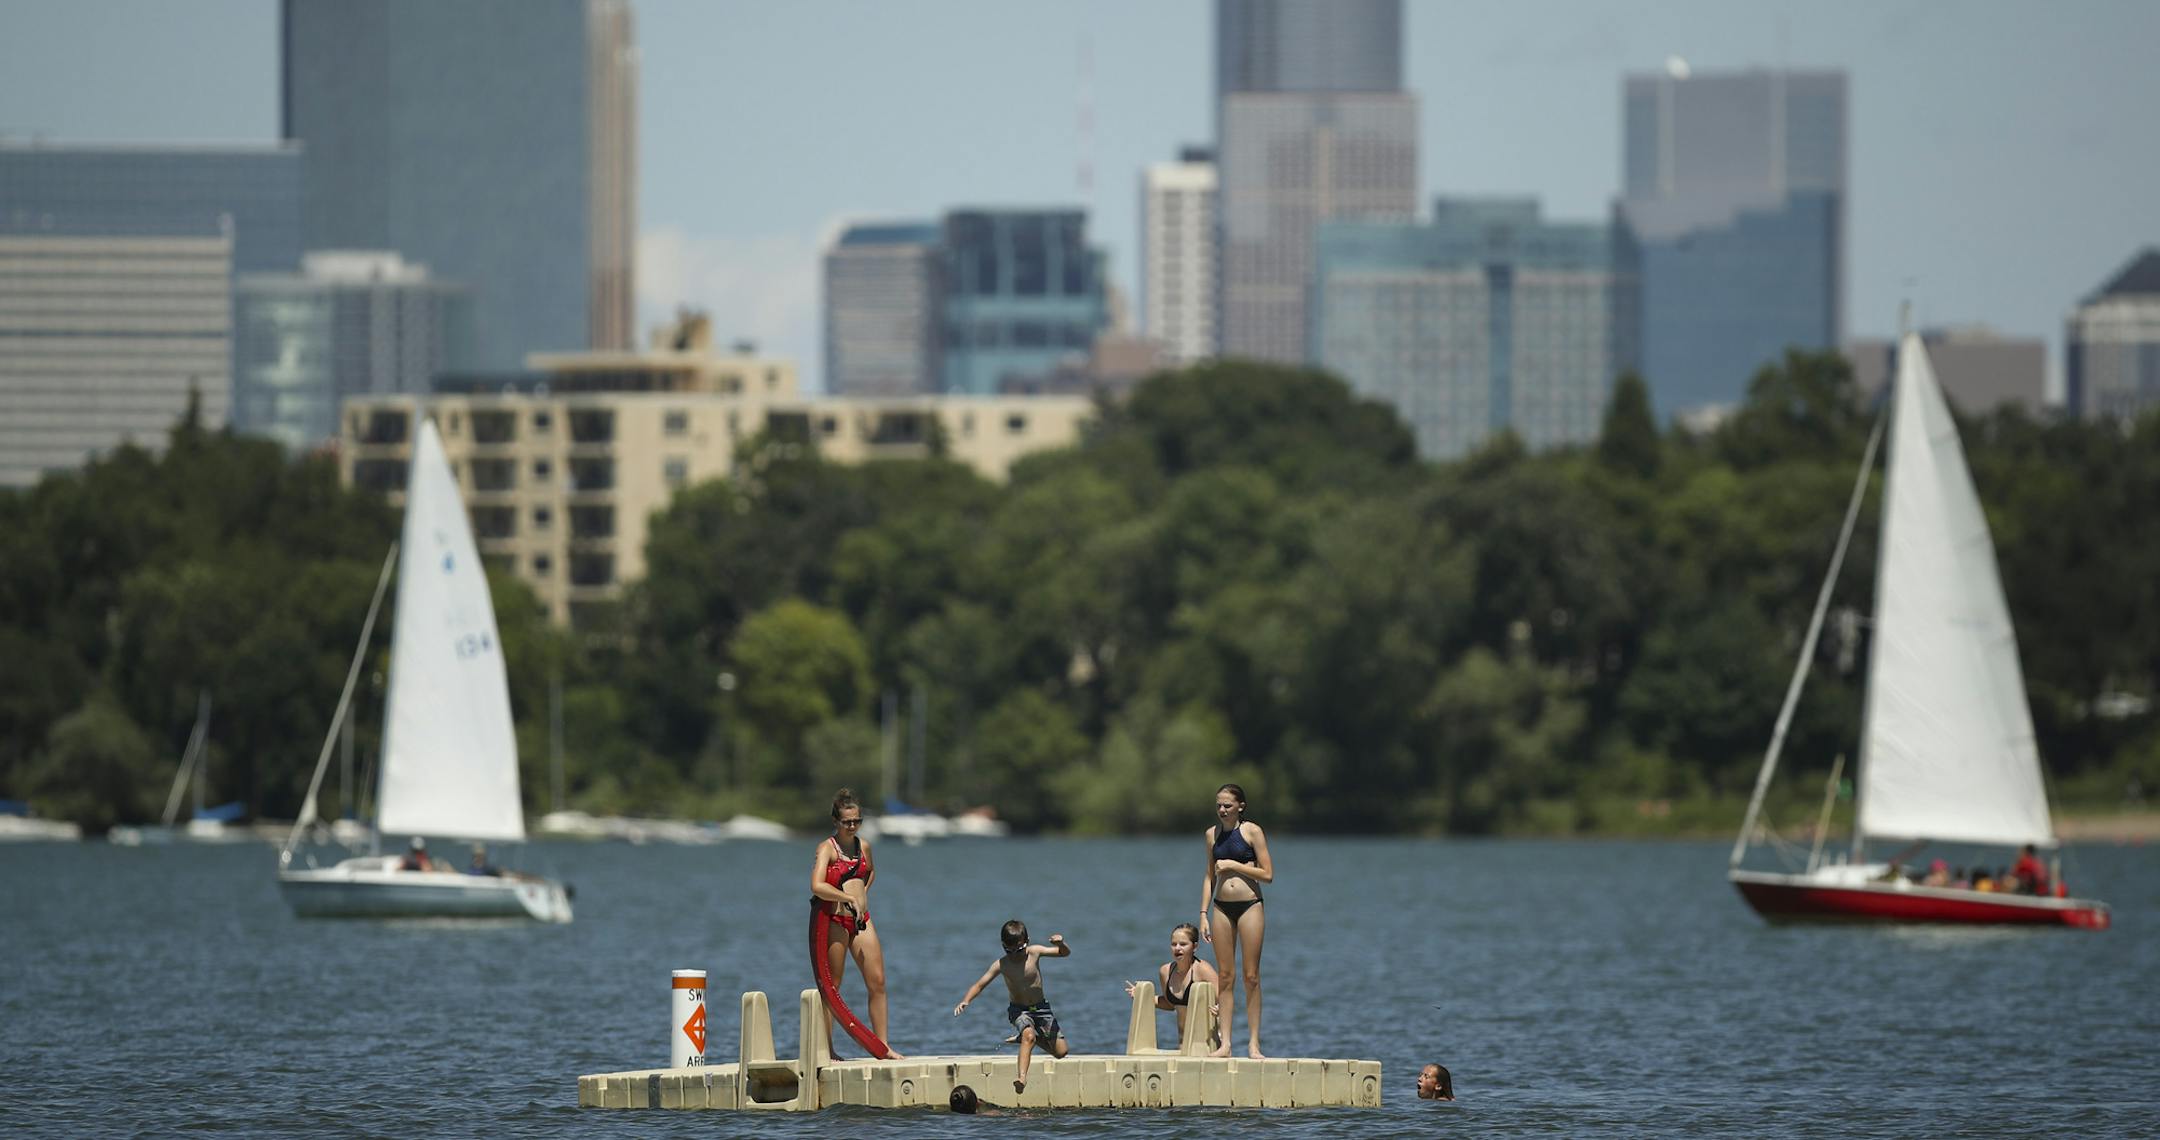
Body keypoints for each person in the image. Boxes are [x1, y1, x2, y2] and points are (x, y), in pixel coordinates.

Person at [811, 788, 899, 1056]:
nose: (852, 826)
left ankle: (881, 1045)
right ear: (836, 822)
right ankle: (828, 1049)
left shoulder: (864, 847)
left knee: (878, 981)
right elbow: (816, 885)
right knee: (832, 987)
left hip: (862, 921)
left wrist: (861, 898)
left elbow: (869, 872)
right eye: (847, 822)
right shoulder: (827, 848)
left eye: (857, 821)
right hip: (834, 920)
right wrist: (845, 897)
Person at [953, 920, 1071, 1094]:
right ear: (1003, 946)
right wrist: (966, 1000)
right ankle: (1021, 1078)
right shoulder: (1002, 965)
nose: (1015, 954)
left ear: (1027, 942)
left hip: (1041, 1009)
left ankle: (1023, 1040)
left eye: (1019, 949)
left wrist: (1061, 943)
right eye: (1010, 951)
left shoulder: (1035, 952)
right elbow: (979, 984)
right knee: (1029, 1034)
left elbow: (1063, 953)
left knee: (1061, 1052)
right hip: (1019, 1010)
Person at [1200, 782, 1272, 1058]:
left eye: (1227, 805)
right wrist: (1203, 913)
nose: (1222, 809)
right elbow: (1209, 877)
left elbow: (1267, 874)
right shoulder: (1212, 834)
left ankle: (1253, 1043)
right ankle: (1225, 1043)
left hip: (1250, 905)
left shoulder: (1252, 831)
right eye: (1218, 805)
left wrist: (1233, 865)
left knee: (1251, 976)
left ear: (1240, 806)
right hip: (1220, 908)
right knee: (1226, 977)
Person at [1124, 922, 1224, 1052]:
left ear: (1194, 946)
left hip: (1209, 1047)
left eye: (1183, 944)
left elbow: (1225, 998)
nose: (1177, 948)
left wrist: (1219, 1008)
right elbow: (1170, 1004)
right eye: (1173, 944)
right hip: (1182, 1047)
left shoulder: (1202, 969)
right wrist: (1143, 996)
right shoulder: (1165, 971)